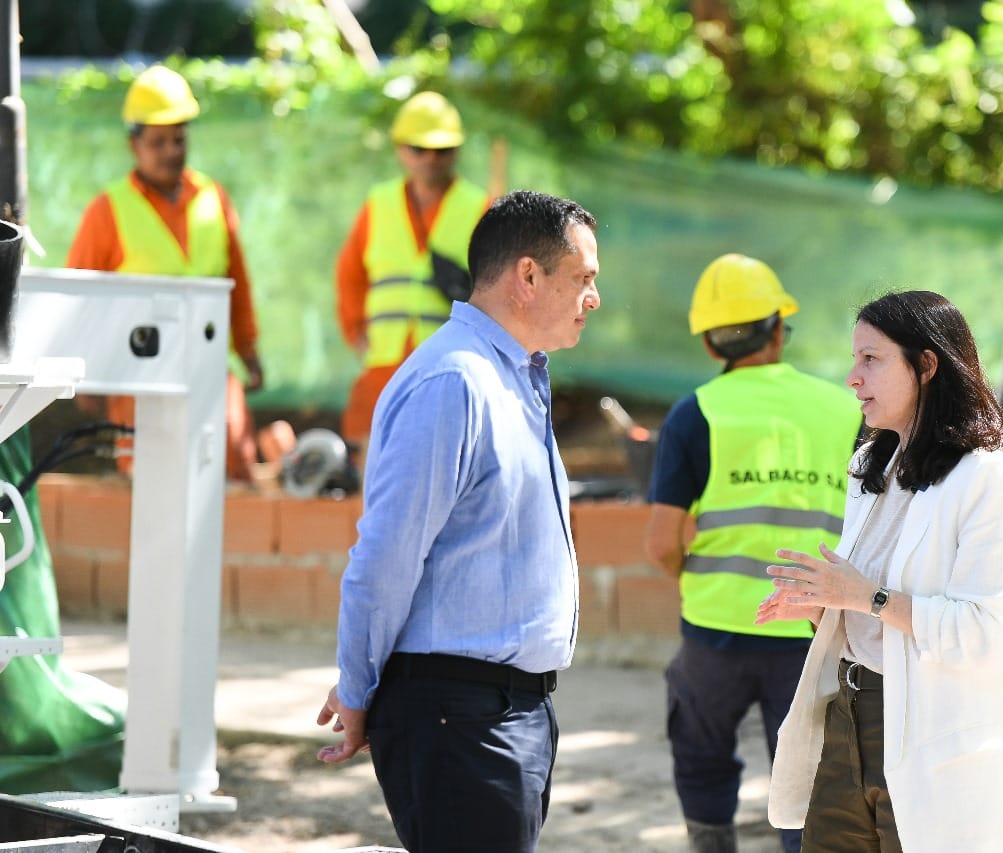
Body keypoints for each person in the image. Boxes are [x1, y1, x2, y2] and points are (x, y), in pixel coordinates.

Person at [316, 190, 601, 853]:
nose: (594, 299)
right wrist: (357, 688)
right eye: (583, 279)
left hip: (503, 714)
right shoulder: (455, 384)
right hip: (458, 720)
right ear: (528, 276)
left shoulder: (517, 377)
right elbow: (384, 557)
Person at [758, 290, 1003, 853]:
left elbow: (986, 632)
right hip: (849, 715)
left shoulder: (986, 479)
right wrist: (821, 605)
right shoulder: (870, 464)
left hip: (934, 728)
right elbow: (862, 605)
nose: (852, 378)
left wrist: (867, 598)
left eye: (871, 359)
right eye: (854, 359)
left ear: (927, 365)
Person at [644, 253, 863, 853]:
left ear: (712, 343)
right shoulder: (845, 408)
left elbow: (662, 543)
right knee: (809, 780)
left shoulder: (694, 414)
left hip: (713, 631)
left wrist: (704, 579)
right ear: (776, 330)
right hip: (813, 628)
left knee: (701, 754)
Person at [66, 64, 264, 483]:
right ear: (133, 144)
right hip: (137, 376)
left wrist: (248, 350)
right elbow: (80, 296)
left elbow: (237, 283)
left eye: (179, 139)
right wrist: (81, 373)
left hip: (210, 365)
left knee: (233, 463)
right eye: (158, 142)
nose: (172, 151)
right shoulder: (108, 210)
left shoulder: (213, 198)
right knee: (147, 481)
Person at [334, 90, 490, 466]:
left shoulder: (478, 206)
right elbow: (349, 274)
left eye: (442, 149)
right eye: (419, 149)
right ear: (401, 150)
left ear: (457, 151)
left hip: (449, 366)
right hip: (385, 362)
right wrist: (357, 332)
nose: (430, 159)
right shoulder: (379, 204)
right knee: (372, 462)